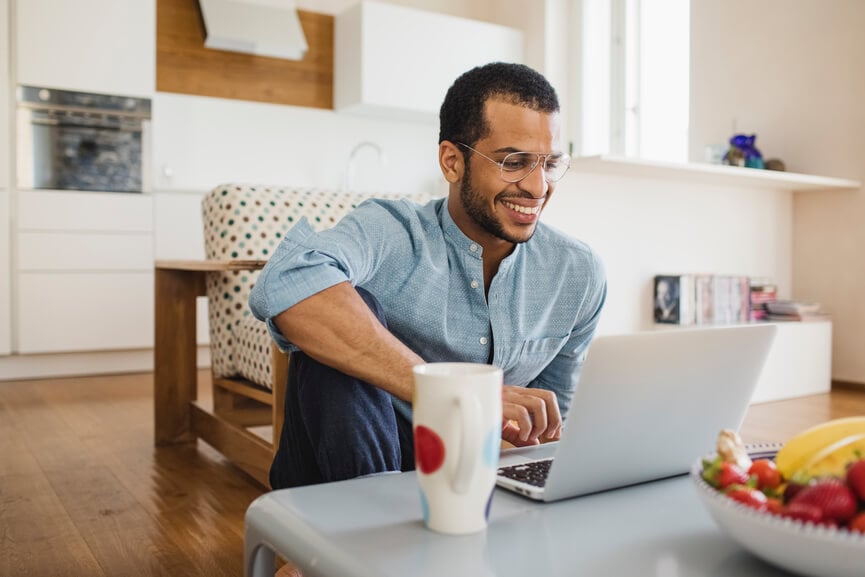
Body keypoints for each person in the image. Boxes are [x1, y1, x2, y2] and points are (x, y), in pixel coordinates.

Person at [249, 62, 607, 489]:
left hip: (469, 475)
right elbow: (289, 280)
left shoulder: (577, 274)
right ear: (452, 161)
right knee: (342, 307)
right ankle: (347, 542)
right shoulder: (391, 231)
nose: (537, 187)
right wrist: (453, 393)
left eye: (549, 164)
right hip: (356, 466)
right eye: (514, 162)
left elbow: (547, 432)